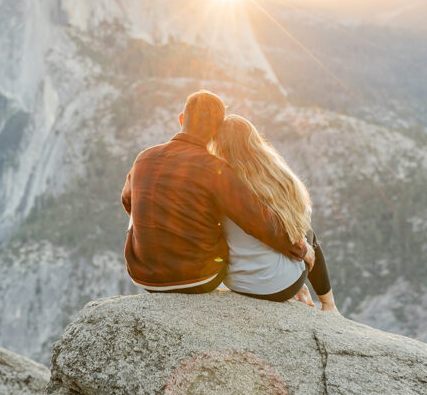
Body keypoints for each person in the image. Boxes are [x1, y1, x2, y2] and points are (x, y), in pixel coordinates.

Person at [121, 90, 311, 294]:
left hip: (142, 275)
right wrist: (300, 249)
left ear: (182, 119)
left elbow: (127, 200)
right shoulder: (217, 169)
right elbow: (257, 220)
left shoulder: (144, 158)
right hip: (198, 278)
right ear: (217, 130)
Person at [210, 114, 339, 313]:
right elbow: (302, 219)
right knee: (308, 235)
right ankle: (329, 306)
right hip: (280, 288)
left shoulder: (219, 183)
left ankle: (299, 286)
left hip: (237, 283)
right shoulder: (277, 175)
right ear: (254, 140)